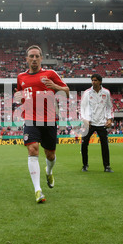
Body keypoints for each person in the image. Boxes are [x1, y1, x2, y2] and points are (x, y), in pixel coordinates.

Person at [15, 45, 70, 203]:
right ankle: (38, 190)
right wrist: (18, 97)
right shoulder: (21, 77)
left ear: (41, 58)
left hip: (49, 120)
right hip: (30, 119)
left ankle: (49, 171)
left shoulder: (50, 74)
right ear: (26, 59)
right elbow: (20, 95)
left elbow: (66, 90)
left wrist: (55, 87)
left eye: (36, 56)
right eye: (31, 56)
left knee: (50, 155)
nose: (34, 59)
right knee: (33, 150)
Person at [80, 74, 114, 173]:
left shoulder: (106, 92)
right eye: (92, 80)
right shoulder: (87, 93)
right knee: (84, 144)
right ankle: (85, 165)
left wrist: (109, 119)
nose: (93, 82)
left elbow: (109, 107)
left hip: (101, 123)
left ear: (100, 81)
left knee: (104, 145)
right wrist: (85, 120)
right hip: (90, 123)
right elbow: (82, 107)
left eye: (95, 80)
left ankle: (107, 166)